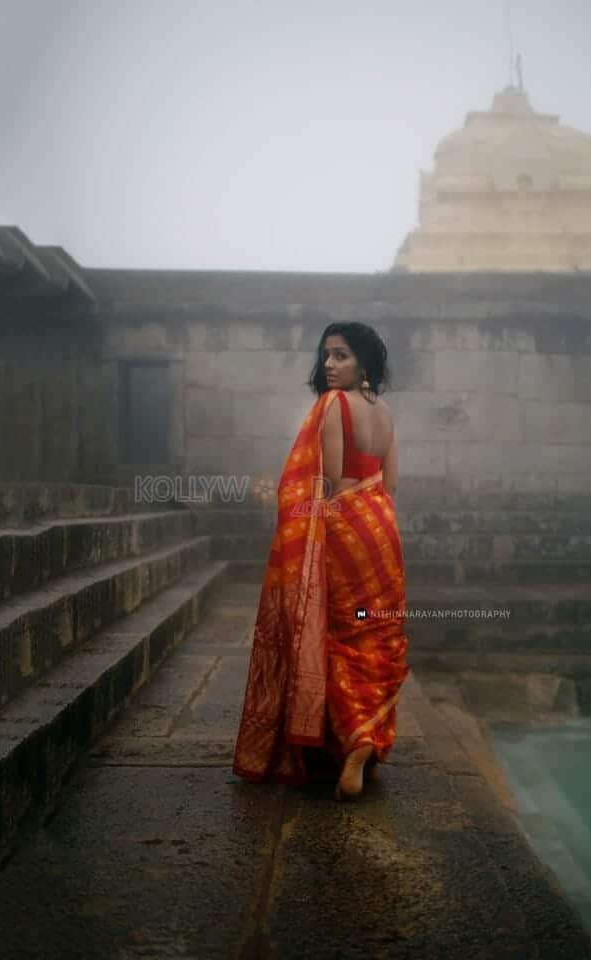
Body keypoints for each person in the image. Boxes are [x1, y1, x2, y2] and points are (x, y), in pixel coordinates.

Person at [232, 321, 410, 801]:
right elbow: (390, 484)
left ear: (364, 362)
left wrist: (291, 497)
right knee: (376, 633)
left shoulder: (332, 406)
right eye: (327, 356)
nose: (330, 366)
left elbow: (329, 482)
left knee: (336, 635)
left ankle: (351, 744)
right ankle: (368, 741)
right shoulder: (387, 412)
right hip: (382, 530)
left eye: (341, 356)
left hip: (345, 526)